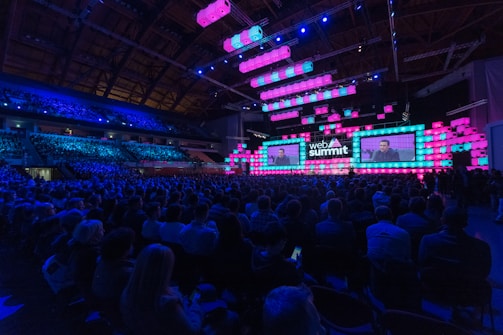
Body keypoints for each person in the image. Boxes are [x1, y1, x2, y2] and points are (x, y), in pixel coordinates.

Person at [120, 244, 203, 335]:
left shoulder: (127, 292)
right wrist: (195, 305)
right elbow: (192, 331)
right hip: (187, 312)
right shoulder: (167, 303)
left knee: (202, 290)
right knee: (200, 292)